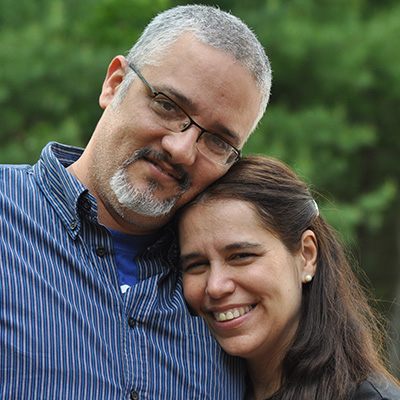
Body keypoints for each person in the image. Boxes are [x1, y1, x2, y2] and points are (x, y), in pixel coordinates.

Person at [0, 5, 272, 399]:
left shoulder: (232, 298)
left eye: (217, 141)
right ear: (115, 83)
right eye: (167, 105)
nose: (181, 149)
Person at [178, 156, 400, 400]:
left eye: (241, 256)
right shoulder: (194, 386)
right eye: (197, 265)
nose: (216, 286)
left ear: (307, 256)